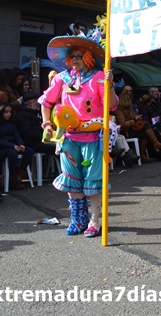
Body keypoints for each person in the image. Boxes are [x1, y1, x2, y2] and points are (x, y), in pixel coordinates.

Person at [39, 29, 118, 238]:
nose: (75, 59)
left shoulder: (98, 78)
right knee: (72, 180)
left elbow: (110, 106)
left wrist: (109, 85)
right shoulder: (62, 78)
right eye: (72, 55)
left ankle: (94, 222)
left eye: (79, 55)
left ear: (88, 58)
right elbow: (46, 102)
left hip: (93, 138)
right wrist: (47, 123)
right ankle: (77, 220)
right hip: (69, 138)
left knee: (93, 181)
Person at [0, 102, 34, 189]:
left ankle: (20, 174)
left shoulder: (12, 123)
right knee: (13, 154)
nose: (8, 114)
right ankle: (12, 176)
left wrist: (21, 144)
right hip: (3, 146)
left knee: (29, 151)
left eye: (10, 112)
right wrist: (12, 145)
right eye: (6, 112)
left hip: (14, 144)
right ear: (1, 112)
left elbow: (16, 135)